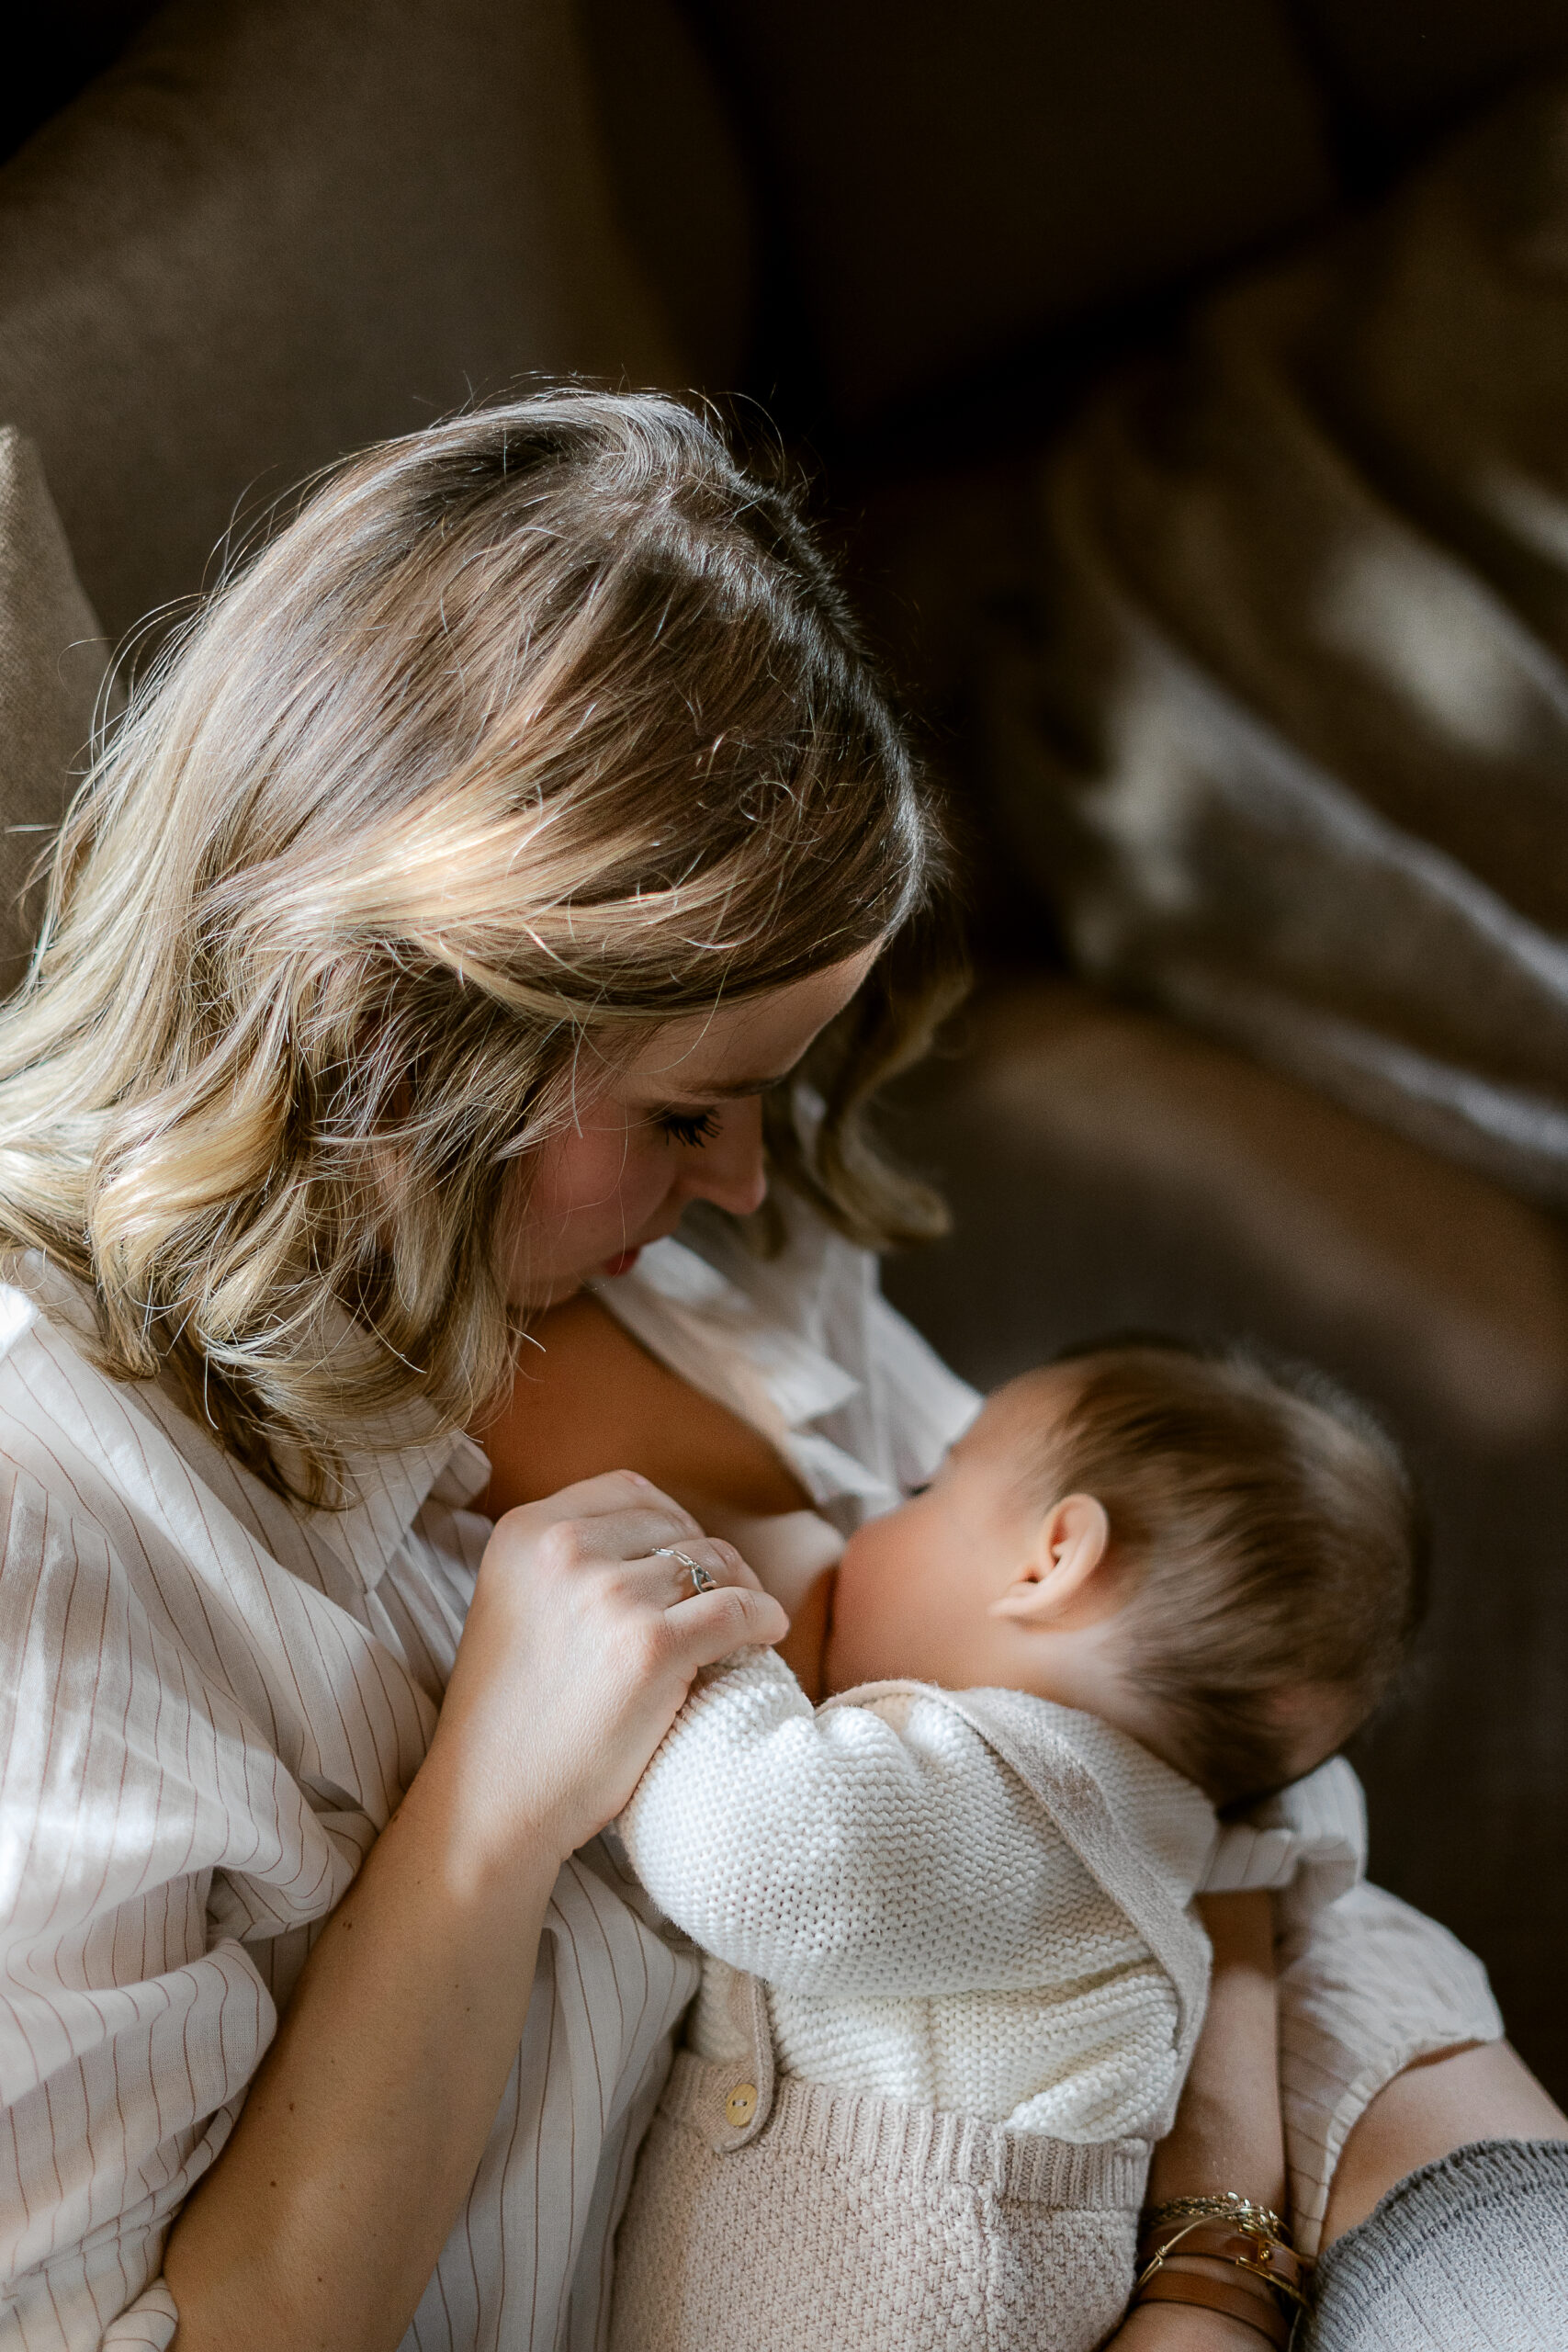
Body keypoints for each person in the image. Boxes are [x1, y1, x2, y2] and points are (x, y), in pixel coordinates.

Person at [0, 392, 1556, 2352]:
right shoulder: (60, 1517)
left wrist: (1217, 2252)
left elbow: (1225, 1770)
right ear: (400, 1034)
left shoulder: (686, 1262)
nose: (743, 1177)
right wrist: (480, 1822)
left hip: (1321, 2164)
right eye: (685, 1110)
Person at [608, 1343, 1416, 2350]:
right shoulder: (1131, 1828)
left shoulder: (1030, 1800)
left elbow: (751, 1850)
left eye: (926, 1486)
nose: (869, 1518)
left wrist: (709, 1642)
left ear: (1051, 1560)